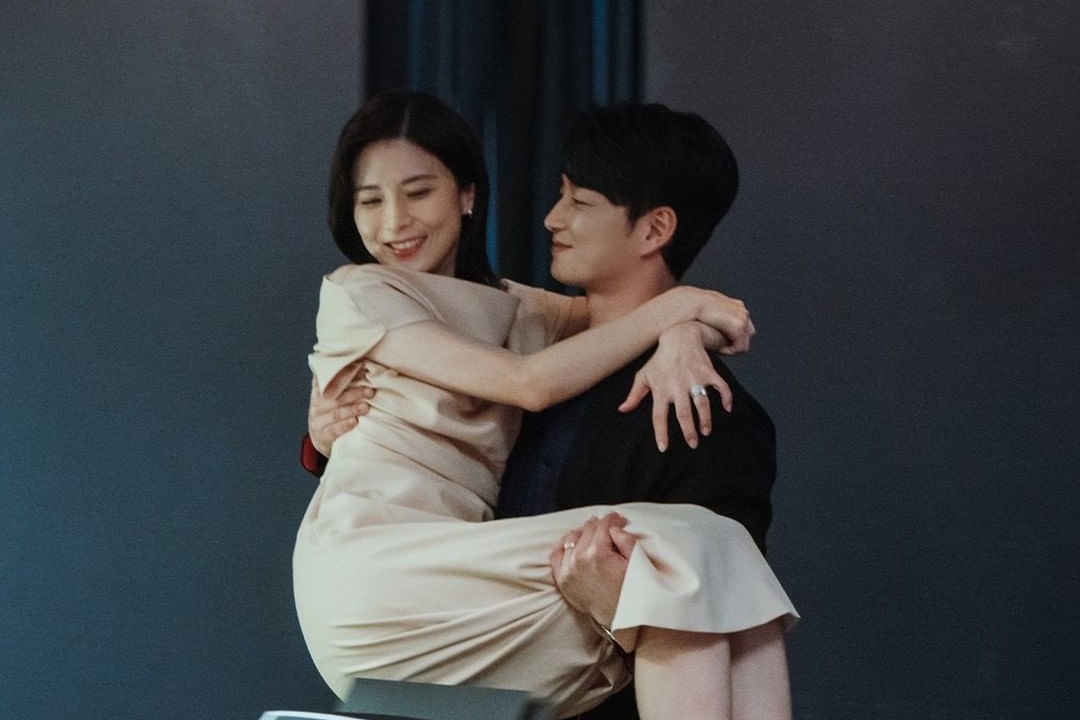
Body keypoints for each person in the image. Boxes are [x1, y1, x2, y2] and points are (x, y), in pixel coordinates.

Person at [294, 90, 797, 720]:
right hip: (380, 572)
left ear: (466, 194)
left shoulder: (518, 312)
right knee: (694, 550)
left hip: (461, 579)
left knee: (718, 553)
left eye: (418, 192)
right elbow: (529, 383)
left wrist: (682, 333)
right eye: (370, 200)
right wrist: (680, 310)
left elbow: (632, 318)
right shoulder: (360, 291)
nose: (394, 221)